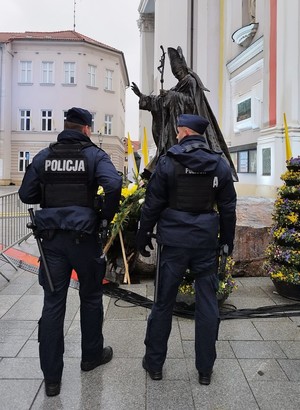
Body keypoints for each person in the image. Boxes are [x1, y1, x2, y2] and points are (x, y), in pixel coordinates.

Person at [19, 107, 122, 397]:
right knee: (90, 297)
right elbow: (113, 184)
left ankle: (52, 379)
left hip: (51, 243)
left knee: (53, 304)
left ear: (65, 126)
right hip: (84, 239)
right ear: (87, 129)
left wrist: (50, 197)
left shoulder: (44, 156)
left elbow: (26, 194)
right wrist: (104, 216)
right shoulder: (93, 155)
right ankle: (91, 356)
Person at [136, 113, 237, 385]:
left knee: (163, 303)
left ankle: (154, 364)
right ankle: (205, 370)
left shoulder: (169, 162)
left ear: (183, 131)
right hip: (205, 243)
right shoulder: (219, 165)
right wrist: (227, 240)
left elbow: (152, 204)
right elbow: (228, 207)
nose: (177, 134)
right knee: (207, 305)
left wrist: (142, 235)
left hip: (174, 244)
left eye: (178, 130)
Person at [131, 46, 237, 181]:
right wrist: (142, 96)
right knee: (167, 153)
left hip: (188, 127)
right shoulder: (180, 84)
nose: (178, 76)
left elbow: (193, 103)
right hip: (175, 128)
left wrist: (172, 96)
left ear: (184, 69)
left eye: (179, 73)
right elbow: (160, 102)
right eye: (176, 75)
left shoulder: (191, 81)